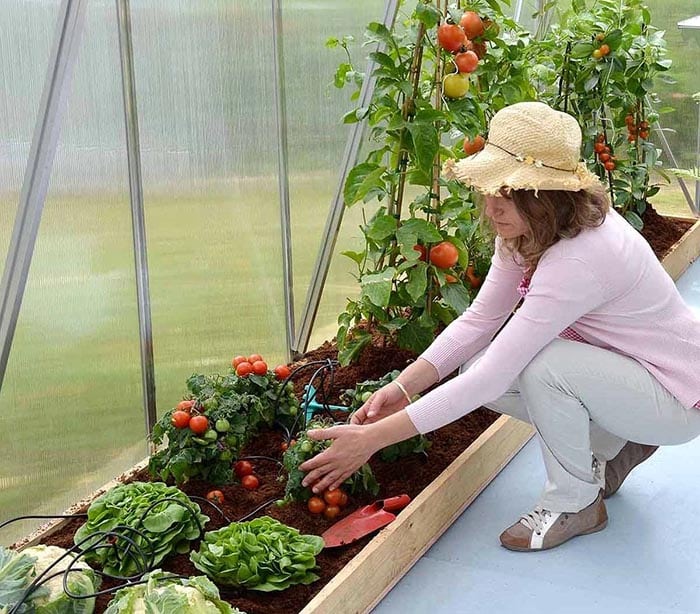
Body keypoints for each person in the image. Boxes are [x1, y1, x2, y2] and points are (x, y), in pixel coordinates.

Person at [299, 101, 700, 552]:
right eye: (489, 190)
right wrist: (404, 387)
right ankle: (612, 440)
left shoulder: (581, 258)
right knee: (476, 366)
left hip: (675, 394)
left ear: (547, 195)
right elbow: (480, 320)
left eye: (506, 193)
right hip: (628, 372)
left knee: (540, 365)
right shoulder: (530, 234)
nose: (491, 208)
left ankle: (577, 502)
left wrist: (369, 440)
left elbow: (500, 372)